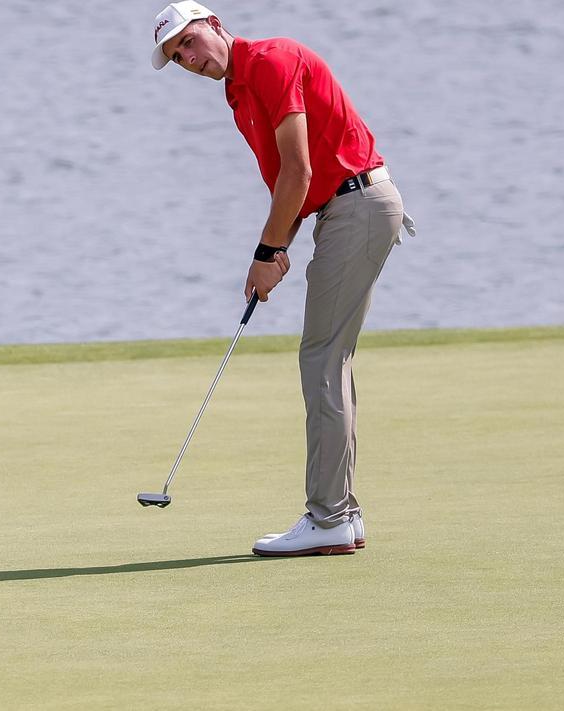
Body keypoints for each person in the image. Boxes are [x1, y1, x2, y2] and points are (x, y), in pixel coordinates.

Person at [150, 1, 415, 557]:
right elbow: (288, 187)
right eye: (177, 57)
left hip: (359, 204)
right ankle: (342, 514)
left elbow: (300, 171)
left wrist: (267, 251)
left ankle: (331, 518)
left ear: (215, 25)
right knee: (328, 358)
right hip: (341, 211)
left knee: (322, 358)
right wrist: (274, 255)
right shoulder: (239, 93)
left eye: (189, 42)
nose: (189, 59)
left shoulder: (270, 60)